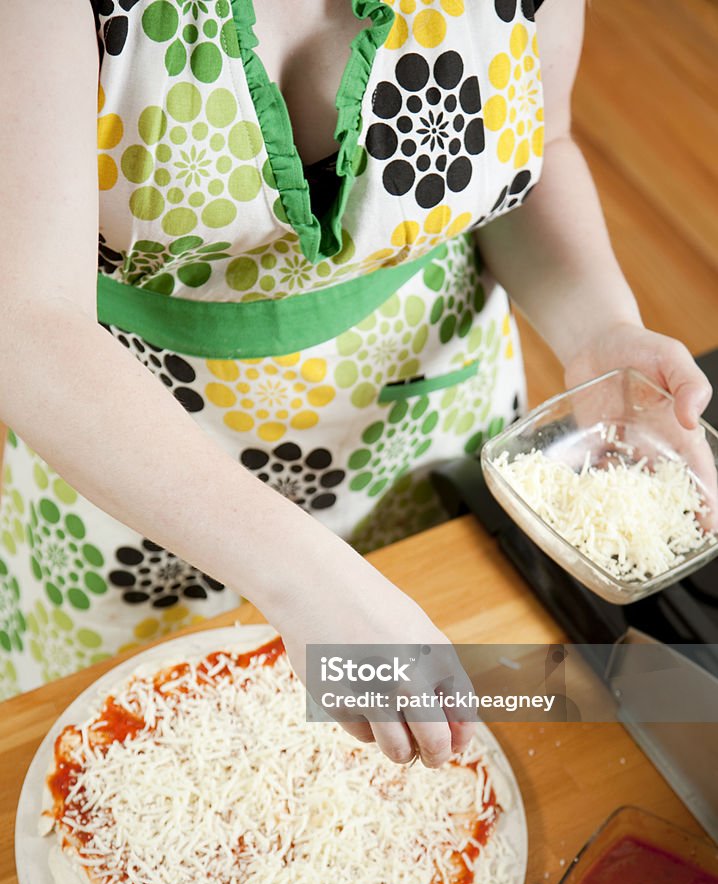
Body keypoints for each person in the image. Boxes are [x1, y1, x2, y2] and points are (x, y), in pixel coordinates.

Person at [0, 0, 711, 766]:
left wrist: (601, 330)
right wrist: (299, 574)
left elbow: (535, 151)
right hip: (146, 485)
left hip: (432, 430)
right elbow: (27, 320)